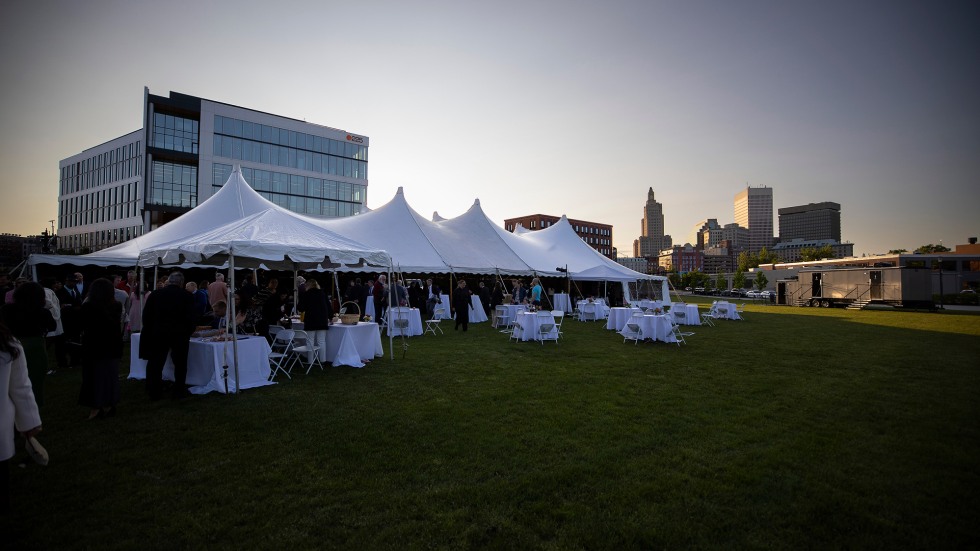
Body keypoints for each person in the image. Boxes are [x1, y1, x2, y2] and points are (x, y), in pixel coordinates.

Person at [1, 320, 42, 513]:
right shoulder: (8, 343)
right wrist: (29, 422)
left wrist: (29, 422)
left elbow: (20, 386)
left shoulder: (8, 344)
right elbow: (20, 387)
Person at [139, 272, 196, 400]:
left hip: (158, 333)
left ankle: (154, 390)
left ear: (169, 281)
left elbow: (146, 316)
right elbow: (191, 317)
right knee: (180, 364)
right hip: (179, 335)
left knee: (156, 363)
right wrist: (188, 331)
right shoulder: (187, 296)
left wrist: (151, 330)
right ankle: (179, 390)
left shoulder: (155, 294)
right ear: (181, 283)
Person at [1, 282, 55, 407]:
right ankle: (33, 410)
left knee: (10, 380)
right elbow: (52, 326)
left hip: (11, 345)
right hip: (35, 347)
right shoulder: (42, 312)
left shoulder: (6, 309)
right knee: (34, 381)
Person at [78, 278, 122, 420]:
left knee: (93, 377)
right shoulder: (116, 305)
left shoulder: (88, 306)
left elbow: (83, 325)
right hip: (111, 345)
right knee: (109, 376)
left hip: (94, 346)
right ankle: (108, 404)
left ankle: (96, 407)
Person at [297, 278, 332, 364]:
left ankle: (310, 360)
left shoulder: (306, 294)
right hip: (322, 320)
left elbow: (300, 308)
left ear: (308, 285)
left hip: (311, 320)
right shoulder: (322, 293)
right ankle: (322, 360)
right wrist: (330, 317)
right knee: (321, 341)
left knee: (310, 340)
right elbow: (328, 306)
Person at [41, 278, 65, 374]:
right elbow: (47, 303)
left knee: (49, 344)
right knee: (46, 344)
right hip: (51, 320)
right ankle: (44, 366)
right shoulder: (46, 291)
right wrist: (54, 309)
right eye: (55, 283)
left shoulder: (49, 291)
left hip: (54, 320)